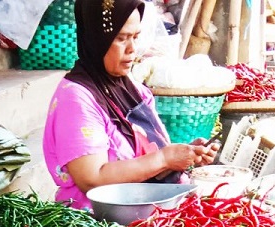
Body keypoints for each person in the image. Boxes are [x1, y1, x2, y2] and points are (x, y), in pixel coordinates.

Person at [43, 0, 218, 210]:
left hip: (144, 209)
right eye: (121, 38)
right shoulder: (76, 98)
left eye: (135, 37)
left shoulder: (131, 88)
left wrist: (185, 154)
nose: (132, 49)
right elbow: (91, 179)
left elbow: (144, 158)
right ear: (96, 38)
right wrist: (164, 159)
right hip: (102, 220)